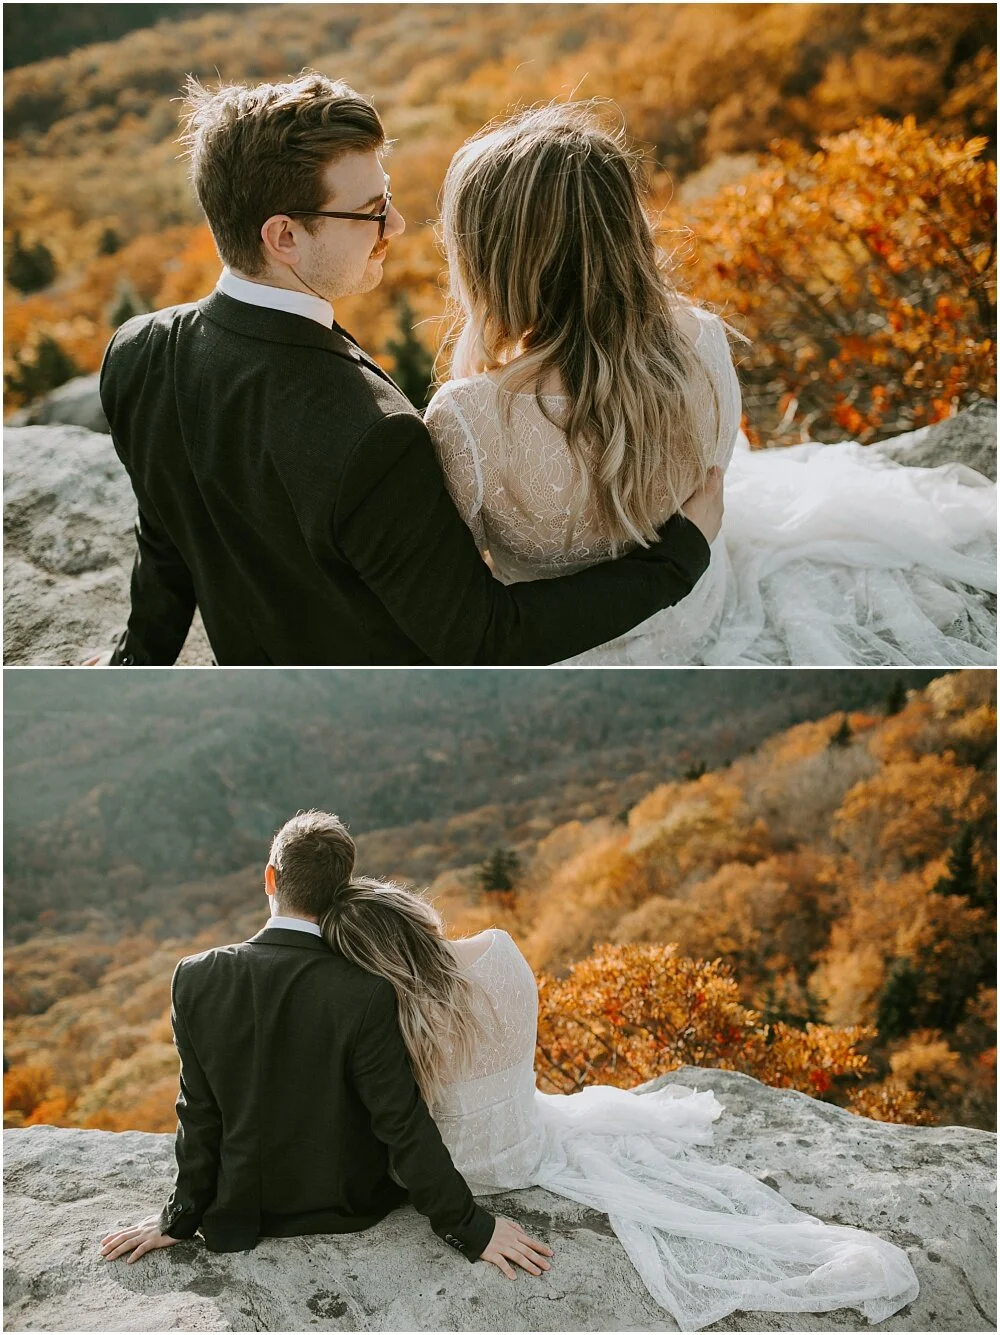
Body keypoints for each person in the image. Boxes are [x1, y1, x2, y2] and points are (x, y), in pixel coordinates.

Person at [99, 73, 723, 667]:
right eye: (371, 210)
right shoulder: (375, 434)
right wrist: (676, 563)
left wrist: (135, 659)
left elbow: (165, 538)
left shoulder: (136, 352)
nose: (395, 224)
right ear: (284, 237)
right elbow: (481, 639)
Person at [425, 101, 996, 667]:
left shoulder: (468, 420)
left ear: (490, 259)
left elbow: (455, 605)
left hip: (566, 652)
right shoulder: (701, 340)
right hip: (700, 612)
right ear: (624, 230)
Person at [318, 874, 921, 1331]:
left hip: (453, 1174)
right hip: (525, 1145)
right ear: (412, 913)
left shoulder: (394, 1014)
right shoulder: (501, 952)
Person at [99, 811, 553, 1280]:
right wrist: (470, 1228)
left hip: (240, 1212)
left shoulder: (195, 977)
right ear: (342, 886)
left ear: (270, 878)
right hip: (348, 1208)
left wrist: (178, 1218)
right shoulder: (367, 988)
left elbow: (197, 1111)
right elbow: (400, 1121)